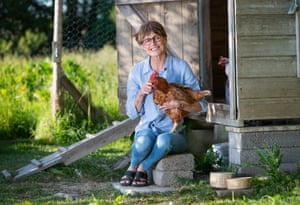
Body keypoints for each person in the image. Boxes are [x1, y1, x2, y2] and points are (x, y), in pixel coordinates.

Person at [120, 20, 208, 187]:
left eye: (156, 38)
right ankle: (132, 168)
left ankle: (142, 168)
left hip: (173, 132)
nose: (152, 43)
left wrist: (179, 105)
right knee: (143, 141)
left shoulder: (180, 67)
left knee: (164, 141)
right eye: (147, 40)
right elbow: (132, 113)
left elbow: (200, 106)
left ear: (165, 39)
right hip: (147, 128)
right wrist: (140, 94)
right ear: (142, 45)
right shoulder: (137, 71)